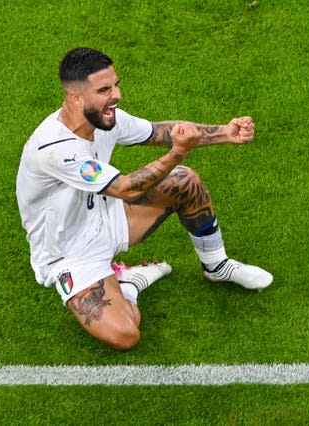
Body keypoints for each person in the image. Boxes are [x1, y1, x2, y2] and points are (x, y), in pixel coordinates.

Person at [16, 47, 272, 350]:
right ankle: (128, 283)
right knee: (126, 334)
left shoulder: (102, 117)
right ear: (76, 98)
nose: (117, 94)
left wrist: (224, 133)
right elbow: (127, 189)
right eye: (104, 89)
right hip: (69, 253)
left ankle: (217, 267)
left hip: (103, 216)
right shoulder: (56, 149)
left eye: (115, 84)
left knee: (184, 181)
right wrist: (178, 152)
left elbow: (158, 132)